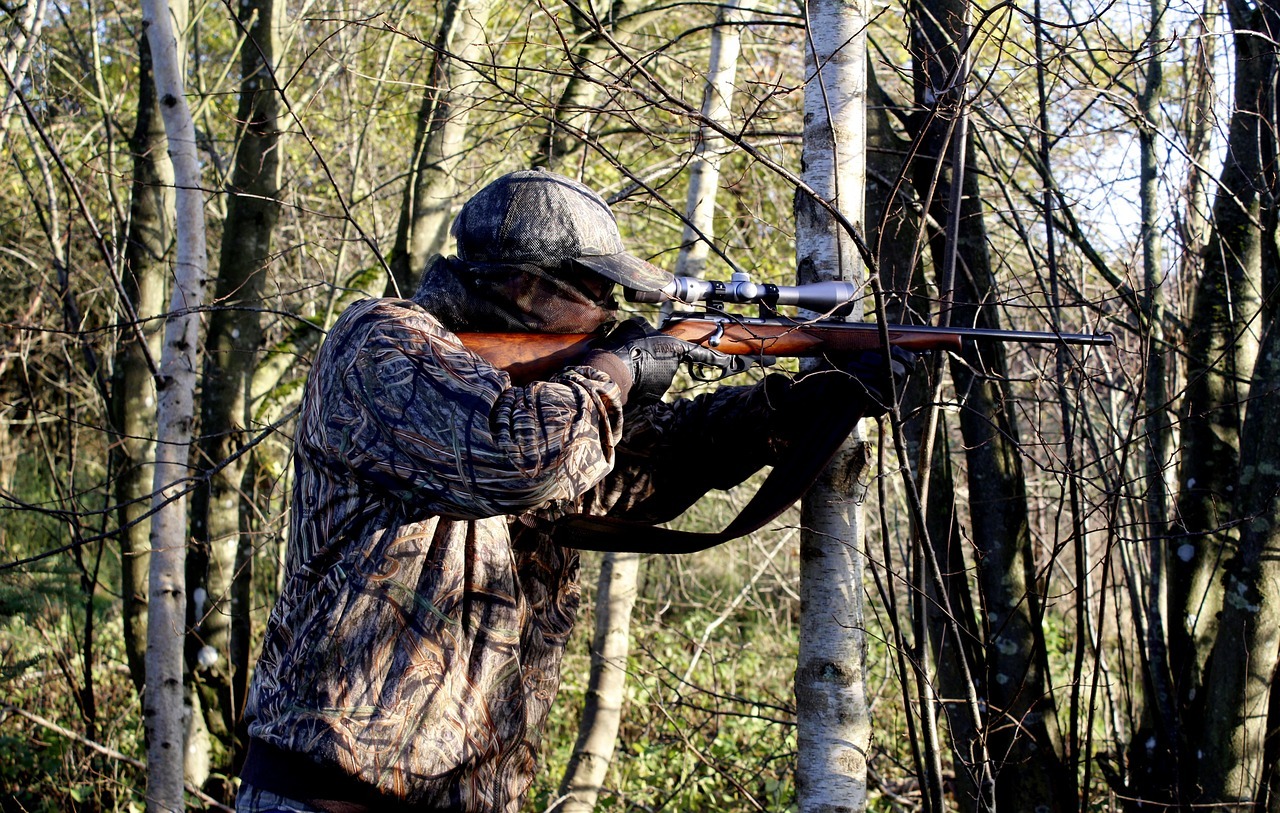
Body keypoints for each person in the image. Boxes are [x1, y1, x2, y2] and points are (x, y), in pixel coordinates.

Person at [235, 168, 904, 812]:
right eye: (595, 291)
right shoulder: (382, 343)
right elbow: (519, 455)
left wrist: (799, 407)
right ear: (526, 286)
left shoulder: (537, 398)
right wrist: (617, 369)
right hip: (326, 794)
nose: (610, 313)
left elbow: (641, 472)